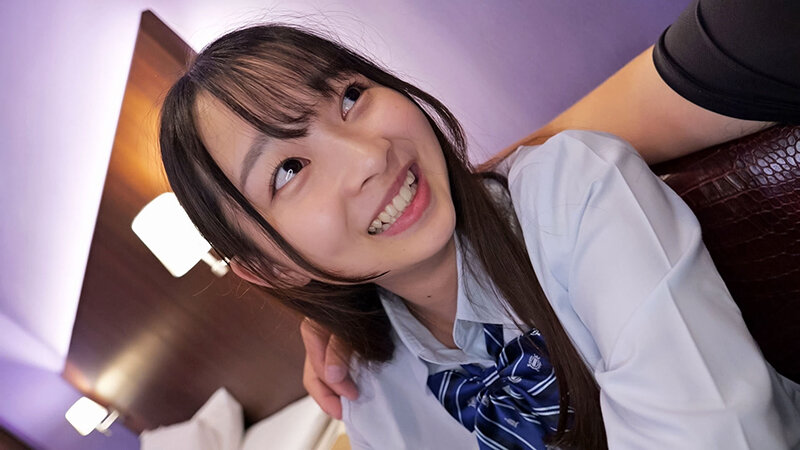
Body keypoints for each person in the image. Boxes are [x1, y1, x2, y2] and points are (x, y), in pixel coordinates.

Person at [158, 18, 800, 450]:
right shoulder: (371, 392)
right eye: (290, 169)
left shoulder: (570, 192)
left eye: (351, 96)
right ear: (270, 267)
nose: (370, 156)